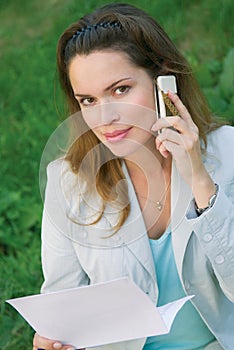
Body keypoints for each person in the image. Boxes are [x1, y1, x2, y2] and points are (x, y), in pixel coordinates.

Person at [33, 3, 234, 350]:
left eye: (120, 89)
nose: (104, 117)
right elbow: (63, 300)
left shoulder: (228, 151)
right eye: (88, 100)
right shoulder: (67, 181)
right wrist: (55, 338)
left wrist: (200, 181)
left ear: (165, 83)